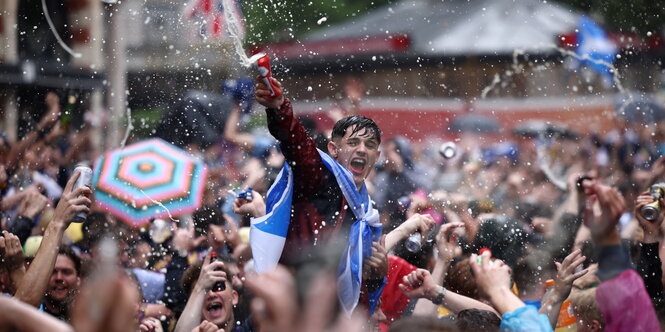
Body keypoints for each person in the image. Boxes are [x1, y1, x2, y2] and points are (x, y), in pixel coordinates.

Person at [254, 76, 388, 314]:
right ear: (333, 150)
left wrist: (377, 275)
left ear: (376, 157)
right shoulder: (318, 179)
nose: (361, 149)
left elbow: (357, 294)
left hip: (331, 318)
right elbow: (298, 145)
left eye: (369, 145)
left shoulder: (368, 215)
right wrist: (279, 109)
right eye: (353, 142)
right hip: (291, 309)